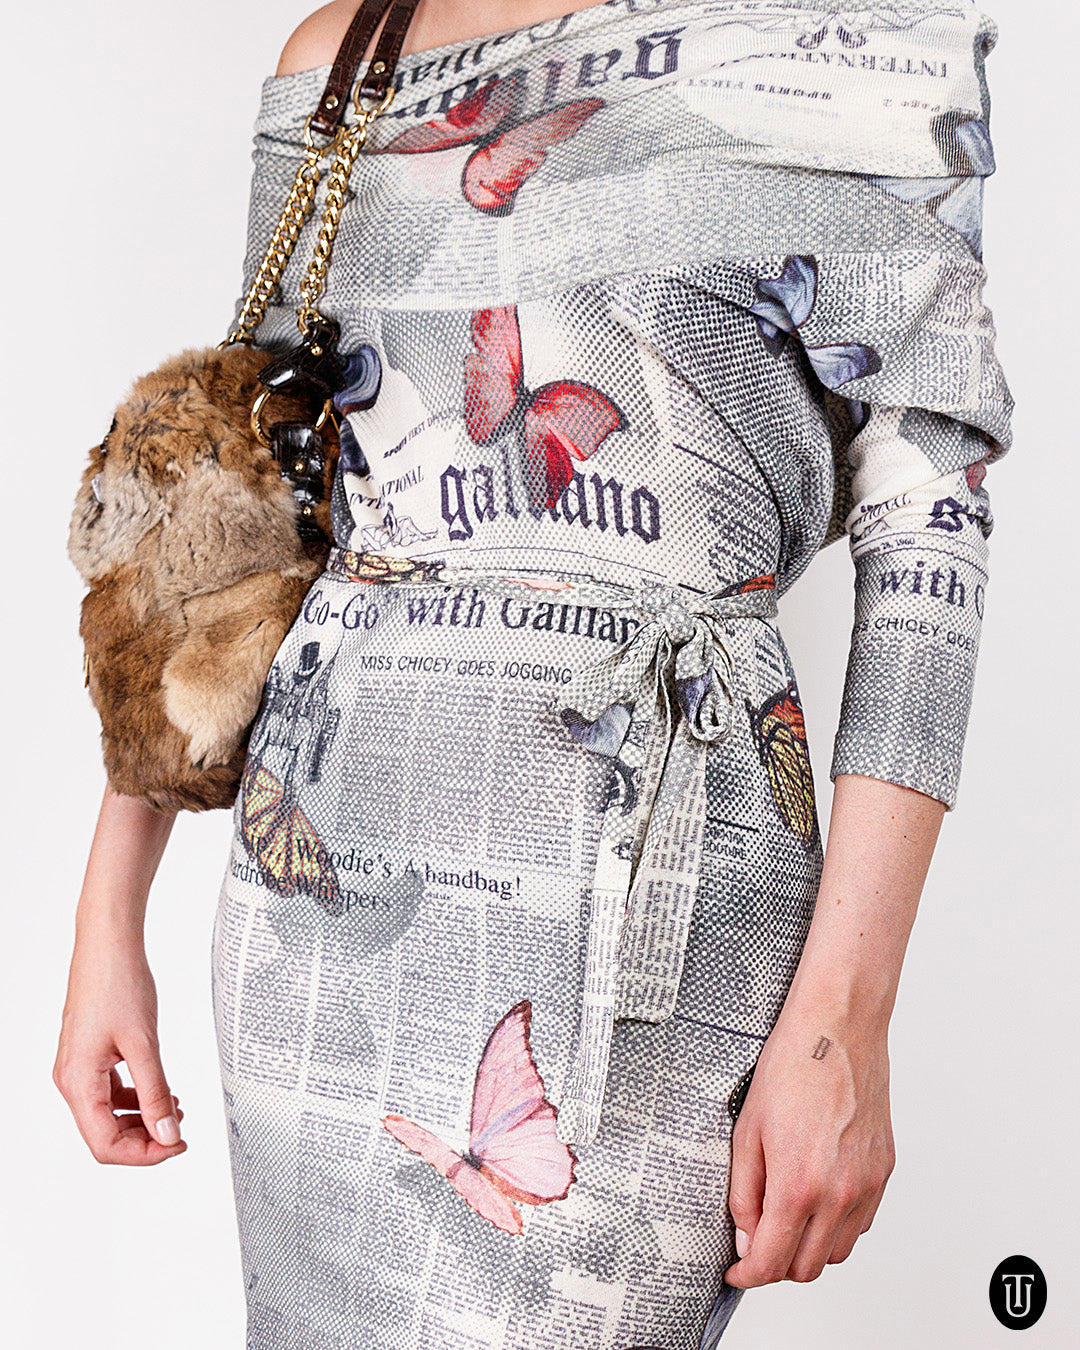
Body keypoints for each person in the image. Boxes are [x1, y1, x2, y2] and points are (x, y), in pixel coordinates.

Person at [54, 1, 1013, 1345]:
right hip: (318, 877)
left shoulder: (828, 34)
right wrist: (109, 918)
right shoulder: (347, 52)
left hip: (645, 862)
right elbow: (232, 504)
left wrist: (846, 1018)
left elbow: (928, 524)